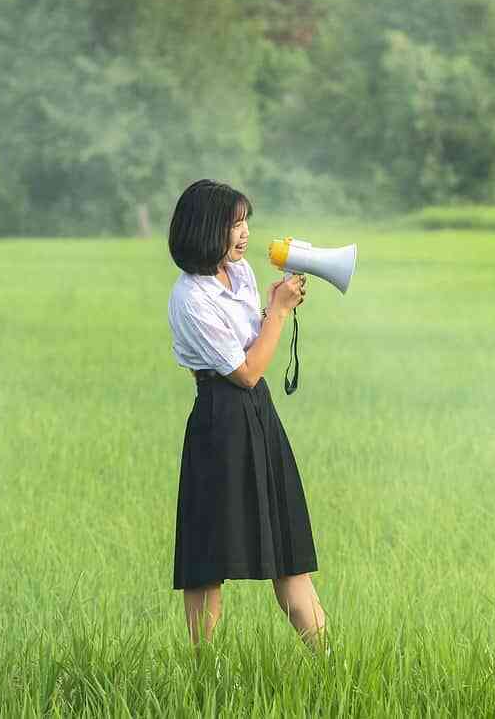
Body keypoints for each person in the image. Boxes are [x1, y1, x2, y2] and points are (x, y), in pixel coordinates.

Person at [166, 179, 326, 648]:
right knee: (207, 559)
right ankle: (204, 671)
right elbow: (248, 371)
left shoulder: (239, 276)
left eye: (245, 223)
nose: (244, 234)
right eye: (234, 224)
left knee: (289, 552)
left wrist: (276, 307)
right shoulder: (191, 299)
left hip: (259, 416)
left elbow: (257, 349)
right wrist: (277, 312)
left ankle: (331, 664)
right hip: (220, 420)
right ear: (205, 229)